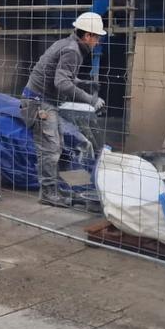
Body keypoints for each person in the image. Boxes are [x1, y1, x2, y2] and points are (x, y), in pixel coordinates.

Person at [22, 12, 107, 206]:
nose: (99, 41)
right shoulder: (73, 51)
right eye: (97, 37)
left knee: (56, 146)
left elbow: (59, 75)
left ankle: (53, 189)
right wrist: (90, 100)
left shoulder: (65, 44)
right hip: (39, 104)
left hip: (42, 101)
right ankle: (48, 193)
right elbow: (61, 82)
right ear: (88, 36)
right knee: (50, 150)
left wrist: (82, 83)